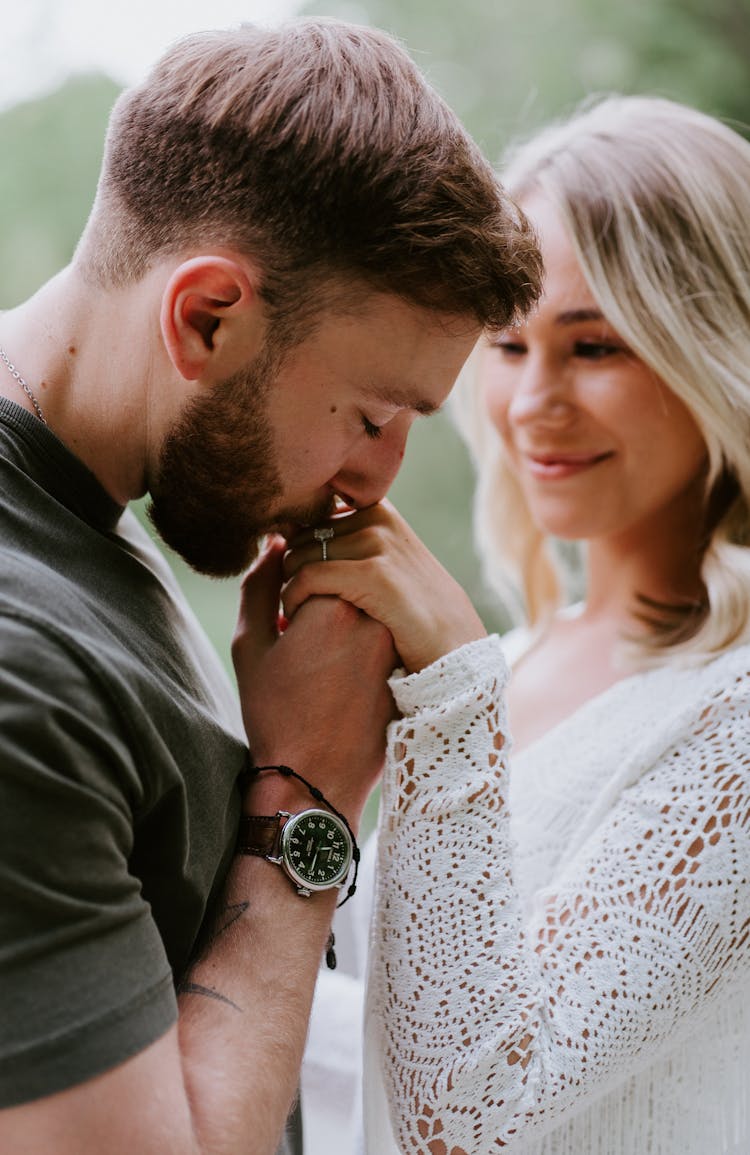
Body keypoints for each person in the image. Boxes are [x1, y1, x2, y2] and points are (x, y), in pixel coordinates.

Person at [0, 18, 543, 1155]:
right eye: (373, 415)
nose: (374, 483)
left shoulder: (96, 510)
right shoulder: (23, 666)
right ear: (206, 317)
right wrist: (310, 799)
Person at [287, 95, 750, 1153]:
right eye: (506, 343)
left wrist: (450, 693)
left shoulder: (735, 710)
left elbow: (472, 1110)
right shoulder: (517, 659)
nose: (534, 400)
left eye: (594, 347)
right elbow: (378, 1036)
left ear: (712, 347)